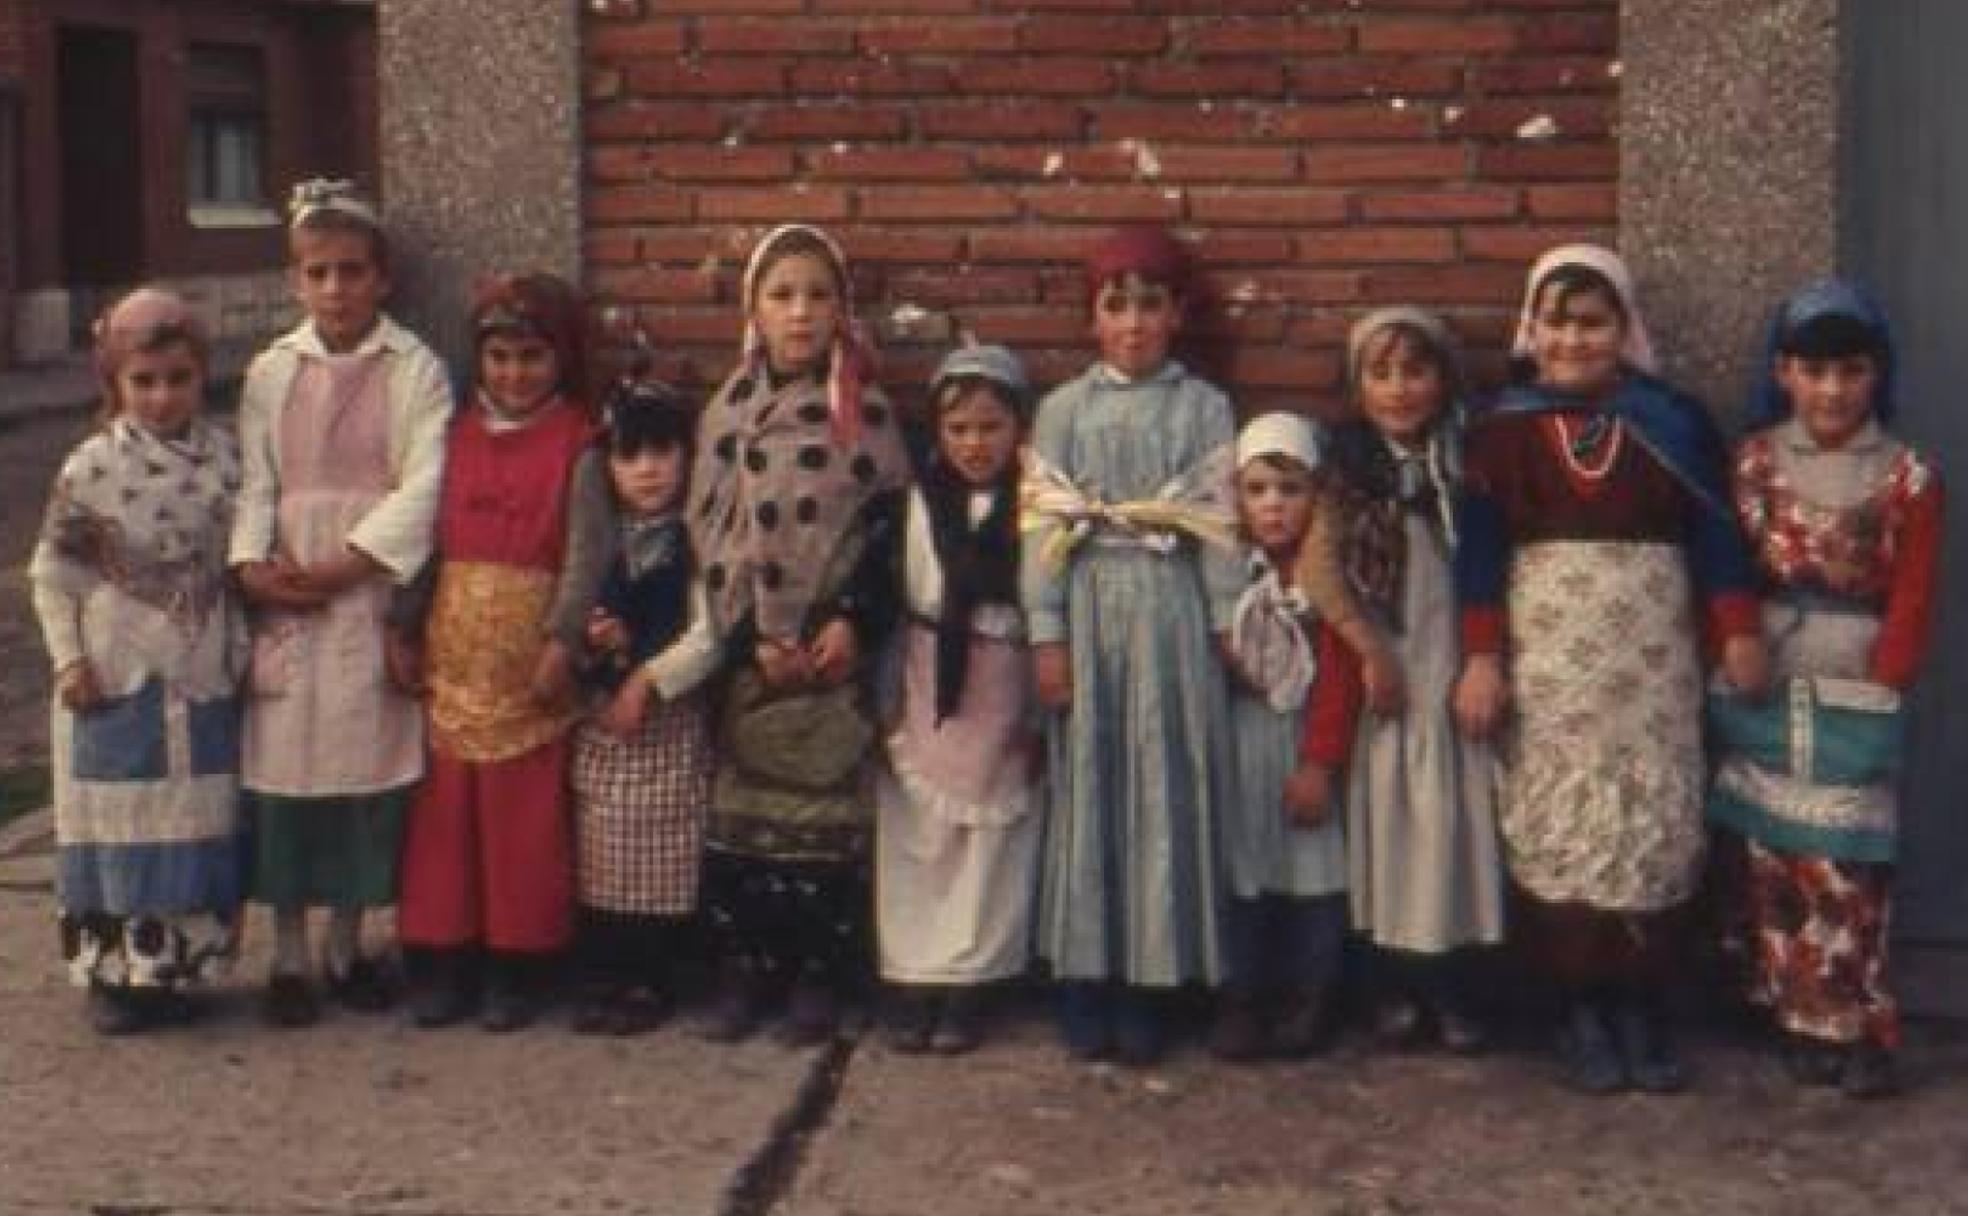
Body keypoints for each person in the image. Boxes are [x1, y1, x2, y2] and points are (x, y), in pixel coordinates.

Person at [1453, 245, 1769, 1094]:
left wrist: (1736, 627)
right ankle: (1578, 1007)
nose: (1571, 339)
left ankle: (1644, 1005)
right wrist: (1481, 658)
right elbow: (1478, 556)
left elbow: (1716, 535)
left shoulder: (1673, 421)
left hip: (1654, 655)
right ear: (1531, 326)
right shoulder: (1502, 428)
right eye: (1556, 321)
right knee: (1563, 819)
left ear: (1624, 329)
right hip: (1552, 654)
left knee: (1654, 819)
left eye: (1592, 322)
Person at [1708, 281, 1943, 1099]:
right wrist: (1735, 634)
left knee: (1850, 865)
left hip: (1854, 674)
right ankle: (1792, 1013)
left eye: (1851, 371)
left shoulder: (1907, 475)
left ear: (1876, 375)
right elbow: (1726, 561)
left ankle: (1860, 1021)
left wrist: (1890, 678)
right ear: (1784, 373)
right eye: (1814, 372)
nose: (1833, 391)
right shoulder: (1754, 463)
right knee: (1776, 861)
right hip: (1768, 669)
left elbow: (1913, 588)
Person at [1020, 225, 1244, 1065]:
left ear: (1178, 315)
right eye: (1116, 306)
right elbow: (1042, 524)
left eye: (1151, 306)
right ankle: (1087, 978)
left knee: (1163, 780)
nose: (1134, 324)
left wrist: (1227, 621)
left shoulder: (1203, 407)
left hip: (1171, 610)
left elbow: (1217, 524)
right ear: (1092, 320)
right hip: (1087, 606)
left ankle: (1155, 981)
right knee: (1092, 783)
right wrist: (1047, 634)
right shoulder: (1063, 411)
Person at [230, 180, 451, 1027]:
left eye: (351, 272)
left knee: (364, 769)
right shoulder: (270, 372)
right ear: (295, 283)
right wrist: (253, 563)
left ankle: (347, 943)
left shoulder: (413, 367)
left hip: (362, 587)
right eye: (318, 274)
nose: (336, 290)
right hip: (287, 591)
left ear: (382, 278)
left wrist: (351, 566)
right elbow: (257, 481)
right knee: (286, 771)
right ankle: (287, 951)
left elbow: (425, 481)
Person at [688, 224, 912, 1045]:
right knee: (747, 829)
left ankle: (820, 976)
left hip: (831, 650)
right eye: (781, 294)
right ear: (753, 308)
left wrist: (850, 620)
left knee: (826, 828)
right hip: (756, 649)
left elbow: (888, 528)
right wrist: (750, 634)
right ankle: (749, 970)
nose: (800, 312)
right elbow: (710, 531)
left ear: (843, 310)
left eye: (818, 295)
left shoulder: (868, 415)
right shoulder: (728, 413)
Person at [394, 272, 607, 1031]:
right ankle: (442, 957)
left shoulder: (580, 445)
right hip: (454, 662)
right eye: (499, 358)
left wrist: (562, 640)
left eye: (532, 359)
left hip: (528, 669)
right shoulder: (453, 438)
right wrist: (404, 625)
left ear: (562, 360)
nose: (514, 375)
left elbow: (586, 557)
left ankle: (520, 966)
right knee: (445, 822)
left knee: (522, 825)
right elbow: (424, 542)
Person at [31, 288, 246, 1034]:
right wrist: (67, 661)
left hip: (199, 666)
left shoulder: (225, 460)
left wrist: (244, 646)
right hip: (114, 667)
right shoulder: (92, 468)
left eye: (177, 379)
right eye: (143, 381)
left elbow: (239, 563)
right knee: (118, 812)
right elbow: (53, 574)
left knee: (194, 812)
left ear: (201, 375)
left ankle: (182, 966)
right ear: (114, 383)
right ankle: (116, 974)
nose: (161, 397)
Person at [1329, 309, 1505, 1052]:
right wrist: (1369, 651)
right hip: (1386, 668)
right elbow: (1323, 571)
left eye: (1415, 371)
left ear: (1444, 379)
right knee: (1390, 824)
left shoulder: (1469, 465)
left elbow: (1491, 566)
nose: (1399, 390)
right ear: (1357, 385)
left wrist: (1483, 660)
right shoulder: (1344, 468)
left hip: (1451, 664)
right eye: (1381, 373)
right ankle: (1391, 983)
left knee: (1452, 826)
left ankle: (1455, 986)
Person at [876, 344, 1041, 1056]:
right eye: (960, 430)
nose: (976, 444)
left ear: (1019, 432)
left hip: (1004, 691)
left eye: (991, 427)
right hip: (928, 686)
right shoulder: (915, 506)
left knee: (990, 843)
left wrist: (1039, 714)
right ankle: (915, 978)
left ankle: (972, 984)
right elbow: (893, 602)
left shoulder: (1034, 511)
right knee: (920, 837)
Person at [568, 379, 721, 1036]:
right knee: (603, 849)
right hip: (605, 721)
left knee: (663, 853)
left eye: (663, 452)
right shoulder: (601, 538)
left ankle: (652, 976)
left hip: (667, 715)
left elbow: (709, 633)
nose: (649, 470)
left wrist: (647, 677)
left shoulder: (698, 539)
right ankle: (608, 968)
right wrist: (597, 643)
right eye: (631, 457)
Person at [1212, 412, 1363, 1062]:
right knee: (1244, 869)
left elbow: (1339, 676)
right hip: (1243, 746)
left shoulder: (1324, 582)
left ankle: (1311, 999)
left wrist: (1320, 764)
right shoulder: (1230, 578)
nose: (1274, 505)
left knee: (1313, 873)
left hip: (1304, 743)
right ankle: (1243, 998)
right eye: (1258, 490)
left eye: (1291, 489)